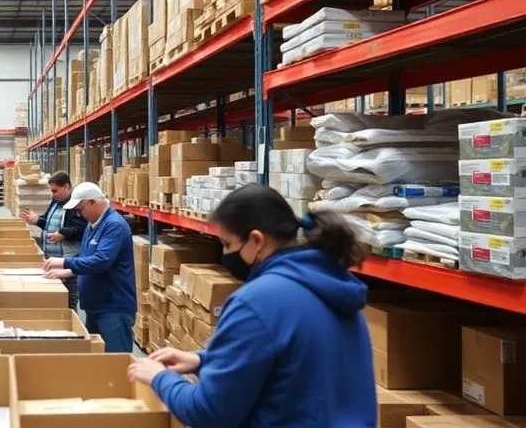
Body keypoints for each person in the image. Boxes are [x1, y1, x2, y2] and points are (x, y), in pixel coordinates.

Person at [126, 184, 376, 427]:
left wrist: (160, 378)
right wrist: (204, 360)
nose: (224, 254)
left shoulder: (258, 302)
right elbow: (294, 363)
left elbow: (208, 412)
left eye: (227, 244)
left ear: (257, 240)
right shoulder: (335, 289)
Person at [42, 182, 135, 353]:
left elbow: (101, 261)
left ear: (92, 202)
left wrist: (65, 262)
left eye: (80, 209)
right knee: (95, 360)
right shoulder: (92, 225)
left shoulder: (114, 225)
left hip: (113, 307)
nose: (79, 214)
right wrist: (67, 271)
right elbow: (85, 255)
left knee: (117, 363)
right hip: (94, 305)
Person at [20, 171, 87, 309]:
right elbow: (49, 223)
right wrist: (37, 220)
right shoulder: (56, 203)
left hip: (68, 259)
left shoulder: (75, 205)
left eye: (55, 191)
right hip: (52, 259)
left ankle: (72, 321)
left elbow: (81, 228)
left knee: (69, 297)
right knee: (55, 297)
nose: (52, 194)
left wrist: (63, 234)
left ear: (66, 187)